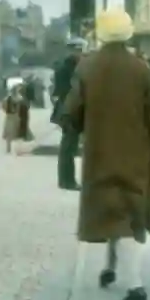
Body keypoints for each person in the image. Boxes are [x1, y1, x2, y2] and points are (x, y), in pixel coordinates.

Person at [61, 8, 150, 300]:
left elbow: (71, 112)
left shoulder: (86, 67)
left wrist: (83, 129)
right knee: (131, 212)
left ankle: (123, 277)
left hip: (100, 152)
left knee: (110, 209)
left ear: (100, 34)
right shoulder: (141, 68)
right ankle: (122, 276)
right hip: (137, 151)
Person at [52, 37, 87, 190]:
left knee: (68, 146)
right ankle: (68, 181)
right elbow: (68, 91)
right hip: (68, 109)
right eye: (78, 50)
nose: (80, 53)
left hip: (67, 108)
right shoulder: (69, 68)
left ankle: (65, 179)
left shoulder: (67, 66)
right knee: (68, 146)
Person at [2, 82, 33, 154]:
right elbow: (25, 108)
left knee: (9, 134)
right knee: (18, 133)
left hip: (10, 117)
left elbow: (4, 107)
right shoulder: (20, 99)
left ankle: (8, 149)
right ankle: (18, 149)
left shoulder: (7, 98)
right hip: (17, 117)